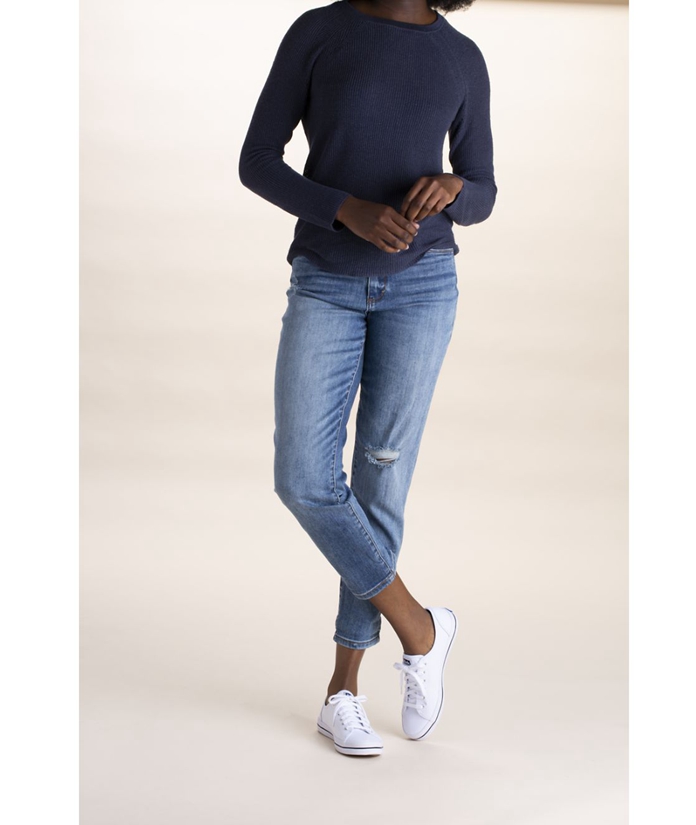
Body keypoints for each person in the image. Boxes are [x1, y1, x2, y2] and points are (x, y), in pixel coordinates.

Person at [238, 0, 496, 757]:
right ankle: (421, 627)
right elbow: (257, 159)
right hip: (326, 278)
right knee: (303, 478)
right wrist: (342, 209)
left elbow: (483, 190)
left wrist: (455, 189)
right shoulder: (320, 31)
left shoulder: (460, 56)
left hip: (425, 285)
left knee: (382, 477)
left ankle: (342, 691)